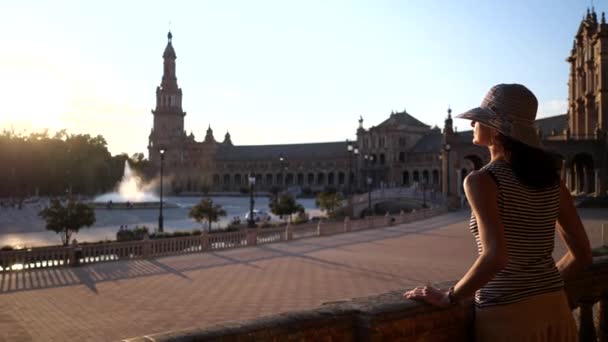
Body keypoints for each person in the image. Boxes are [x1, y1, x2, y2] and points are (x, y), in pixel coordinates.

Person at [403, 84, 592, 341]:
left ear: (496, 129)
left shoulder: (482, 180)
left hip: (508, 316)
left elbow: (496, 257)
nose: (472, 125)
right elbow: (582, 254)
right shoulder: (552, 181)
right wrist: (540, 285)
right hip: (555, 308)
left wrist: (450, 296)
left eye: (478, 119)